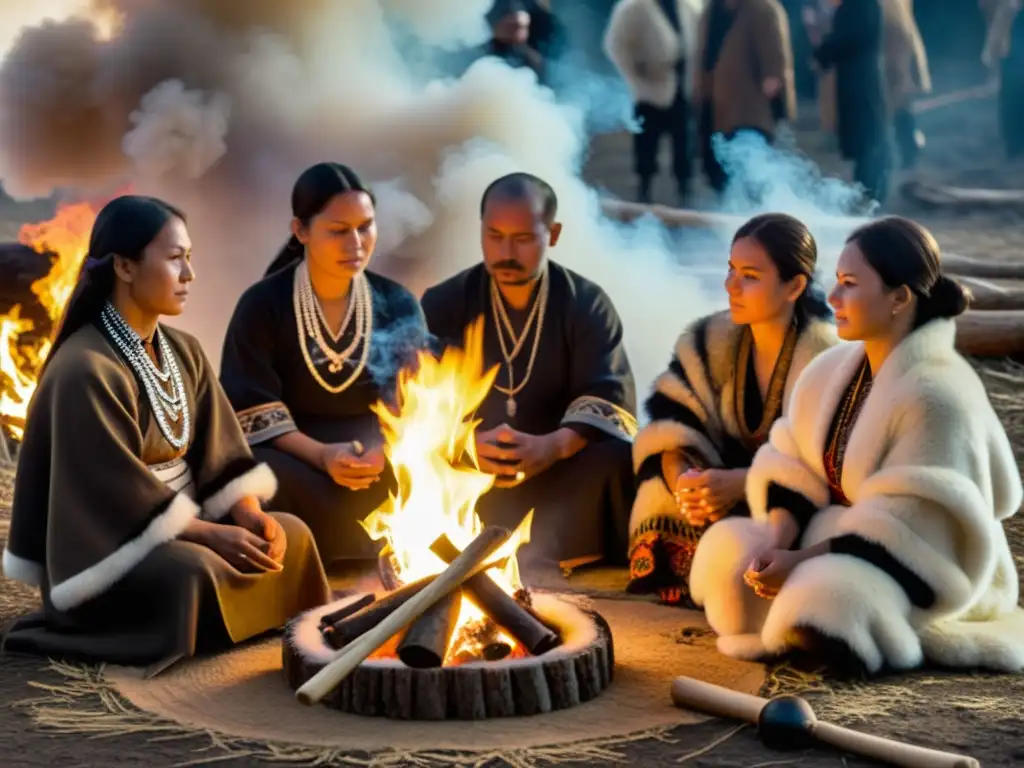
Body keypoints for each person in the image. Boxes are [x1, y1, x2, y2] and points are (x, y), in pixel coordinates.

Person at [1, 195, 332, 674]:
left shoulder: (185, 351)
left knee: (293, 537)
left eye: (189, 259)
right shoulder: (84, 366)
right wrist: (206, 534)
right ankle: (190, 621)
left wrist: (245, 511)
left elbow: (221, 451)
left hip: (186, 521)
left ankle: (236, 607)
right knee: (194, 573)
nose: (189, 275)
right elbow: (109, 488)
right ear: (126, 267)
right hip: (108, 546)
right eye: (176, 259)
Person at [691, 216, 1024, 678]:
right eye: (836, 282)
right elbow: (791, 462)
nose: (832, 299)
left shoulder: (937, 396)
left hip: (925, 559)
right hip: (833, 533)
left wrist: (801, 560)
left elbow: (915, 527)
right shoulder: (832, 369)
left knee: (826, 598)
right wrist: (778, 539)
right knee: (732, 559)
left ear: (899, 298)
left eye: (849, 284)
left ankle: (829, 627)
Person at [420, 172, 638, 571]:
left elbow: (611, 400)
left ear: (552, 234)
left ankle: (569, 551)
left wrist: (553, 447)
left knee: (618, 456)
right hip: (473, 476)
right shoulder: (445, 302)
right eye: (494, 235)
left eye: (522, 239)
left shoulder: (585, 304)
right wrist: (464, 443)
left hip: (559, 470)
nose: (506, 252)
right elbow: (415, 401)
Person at [219, 163, 428, 566]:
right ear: (300, 230)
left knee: (434, 464)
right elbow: (248, 408)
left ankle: (394, 555)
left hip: (377, 460)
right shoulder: (263, 305)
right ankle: (296, 557)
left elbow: (417, 399)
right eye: (338, 230)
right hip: (293, 457)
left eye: (365, 227)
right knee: (247, 474)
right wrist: (321, 456)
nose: (356, 243)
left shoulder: (397, 301)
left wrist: (383, 452)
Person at [628, 214, 837, 607]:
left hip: (789, 503)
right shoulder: (710, 339)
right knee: (659, 485)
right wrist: (689, 484)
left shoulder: (824, 356)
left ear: (794, 286)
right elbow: (672, 424)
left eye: (750, 276)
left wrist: (744, 483)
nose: (731, 287)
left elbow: (826, 466)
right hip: (716, 492)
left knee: (812, 527)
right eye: (731, 270)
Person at [693, 0, 798, 195]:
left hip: (748, 113)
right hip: (715, 111)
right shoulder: (712, 10)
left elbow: (774, 63)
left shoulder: (761, 9)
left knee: (749, 176)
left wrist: (772, 87)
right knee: (721, 177)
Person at [603, 0, 703, 204]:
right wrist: (636, 75)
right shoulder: (634, 7)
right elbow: (615, 44)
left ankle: (685, 194)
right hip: (649, 89)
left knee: (683, 144)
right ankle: (644, 193)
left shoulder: (689, 5)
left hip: (682, 85)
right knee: (647, 145)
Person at [809, 0, 891, 206]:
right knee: (862, 136)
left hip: (862, 79)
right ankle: (866, 188)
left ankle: (871, 190)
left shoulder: (862, 6)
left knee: (867, 136)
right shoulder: (856, 6)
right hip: (855, 77)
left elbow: (849, 38)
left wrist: (822, 54)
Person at [881, 0, 930, 169]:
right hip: (897, 40)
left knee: (896, 103)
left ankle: (904, 150)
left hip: (891, 44)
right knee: (899, 102)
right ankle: (906, 148)